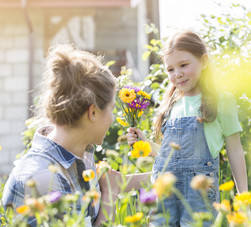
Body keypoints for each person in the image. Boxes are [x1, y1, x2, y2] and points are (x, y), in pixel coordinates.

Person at [2, 44, 150, 226]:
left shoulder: (79, 153)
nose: (113, 118)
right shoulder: (42, 180)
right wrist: (109, 199)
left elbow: (111, 183)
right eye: (111, 109)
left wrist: (173, 173)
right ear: (93, 113)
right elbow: (108, 190)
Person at [126, 30, 248, 227]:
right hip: (164, 193)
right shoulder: (171, 105)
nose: (177, 74)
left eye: (184, 65)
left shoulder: (221, 101)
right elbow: (170, 158)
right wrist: (145, 144)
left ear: (204, 61)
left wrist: (243, 197)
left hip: (198, 196)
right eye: (170, 69)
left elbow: (234, 149)